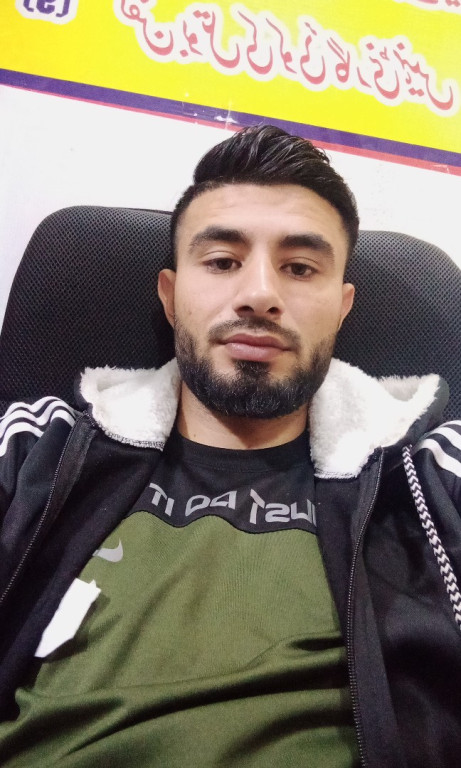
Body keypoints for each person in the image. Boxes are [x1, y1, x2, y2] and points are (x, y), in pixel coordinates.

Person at [0, 125, 460, 768]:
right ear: (170, 297)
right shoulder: (34, 452)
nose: (260, 295)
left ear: (342, 307)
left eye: (300, 268)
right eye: (221, 262)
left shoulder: (430, 477)